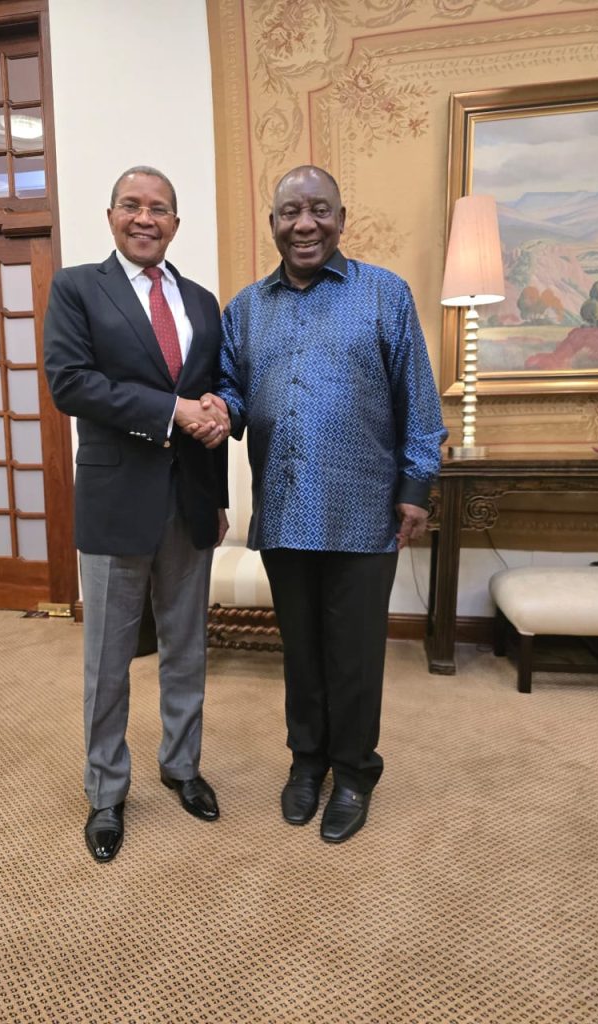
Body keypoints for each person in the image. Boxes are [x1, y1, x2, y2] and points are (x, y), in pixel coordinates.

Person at [192, 165, 446, 844]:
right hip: (283, 510)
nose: (305, 224)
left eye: (319, 210)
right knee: (301, 653)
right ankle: (307, 762)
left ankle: (355, 772)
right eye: (290, 212)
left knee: (355, 656)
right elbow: (233, 391)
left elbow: (419, 400)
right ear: (273, 222)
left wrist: (415, 488)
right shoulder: (246, 308)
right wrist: (218, 409)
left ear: (341, 218)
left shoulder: (384, 294)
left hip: (364, 512)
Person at [44, 166, 230, 863]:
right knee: (108, 661)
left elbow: (213, 391)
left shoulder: (201, 300)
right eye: (131, 205)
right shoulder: (77, 288)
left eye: (159, 208)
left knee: (187, 649)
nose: (144, 218)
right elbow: (71, 383)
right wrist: (171, 411)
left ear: (176, 223)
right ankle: (106, 791)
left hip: (190, 500)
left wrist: (219, 482)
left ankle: (182, 766)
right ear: (111, 216)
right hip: (116, 500)